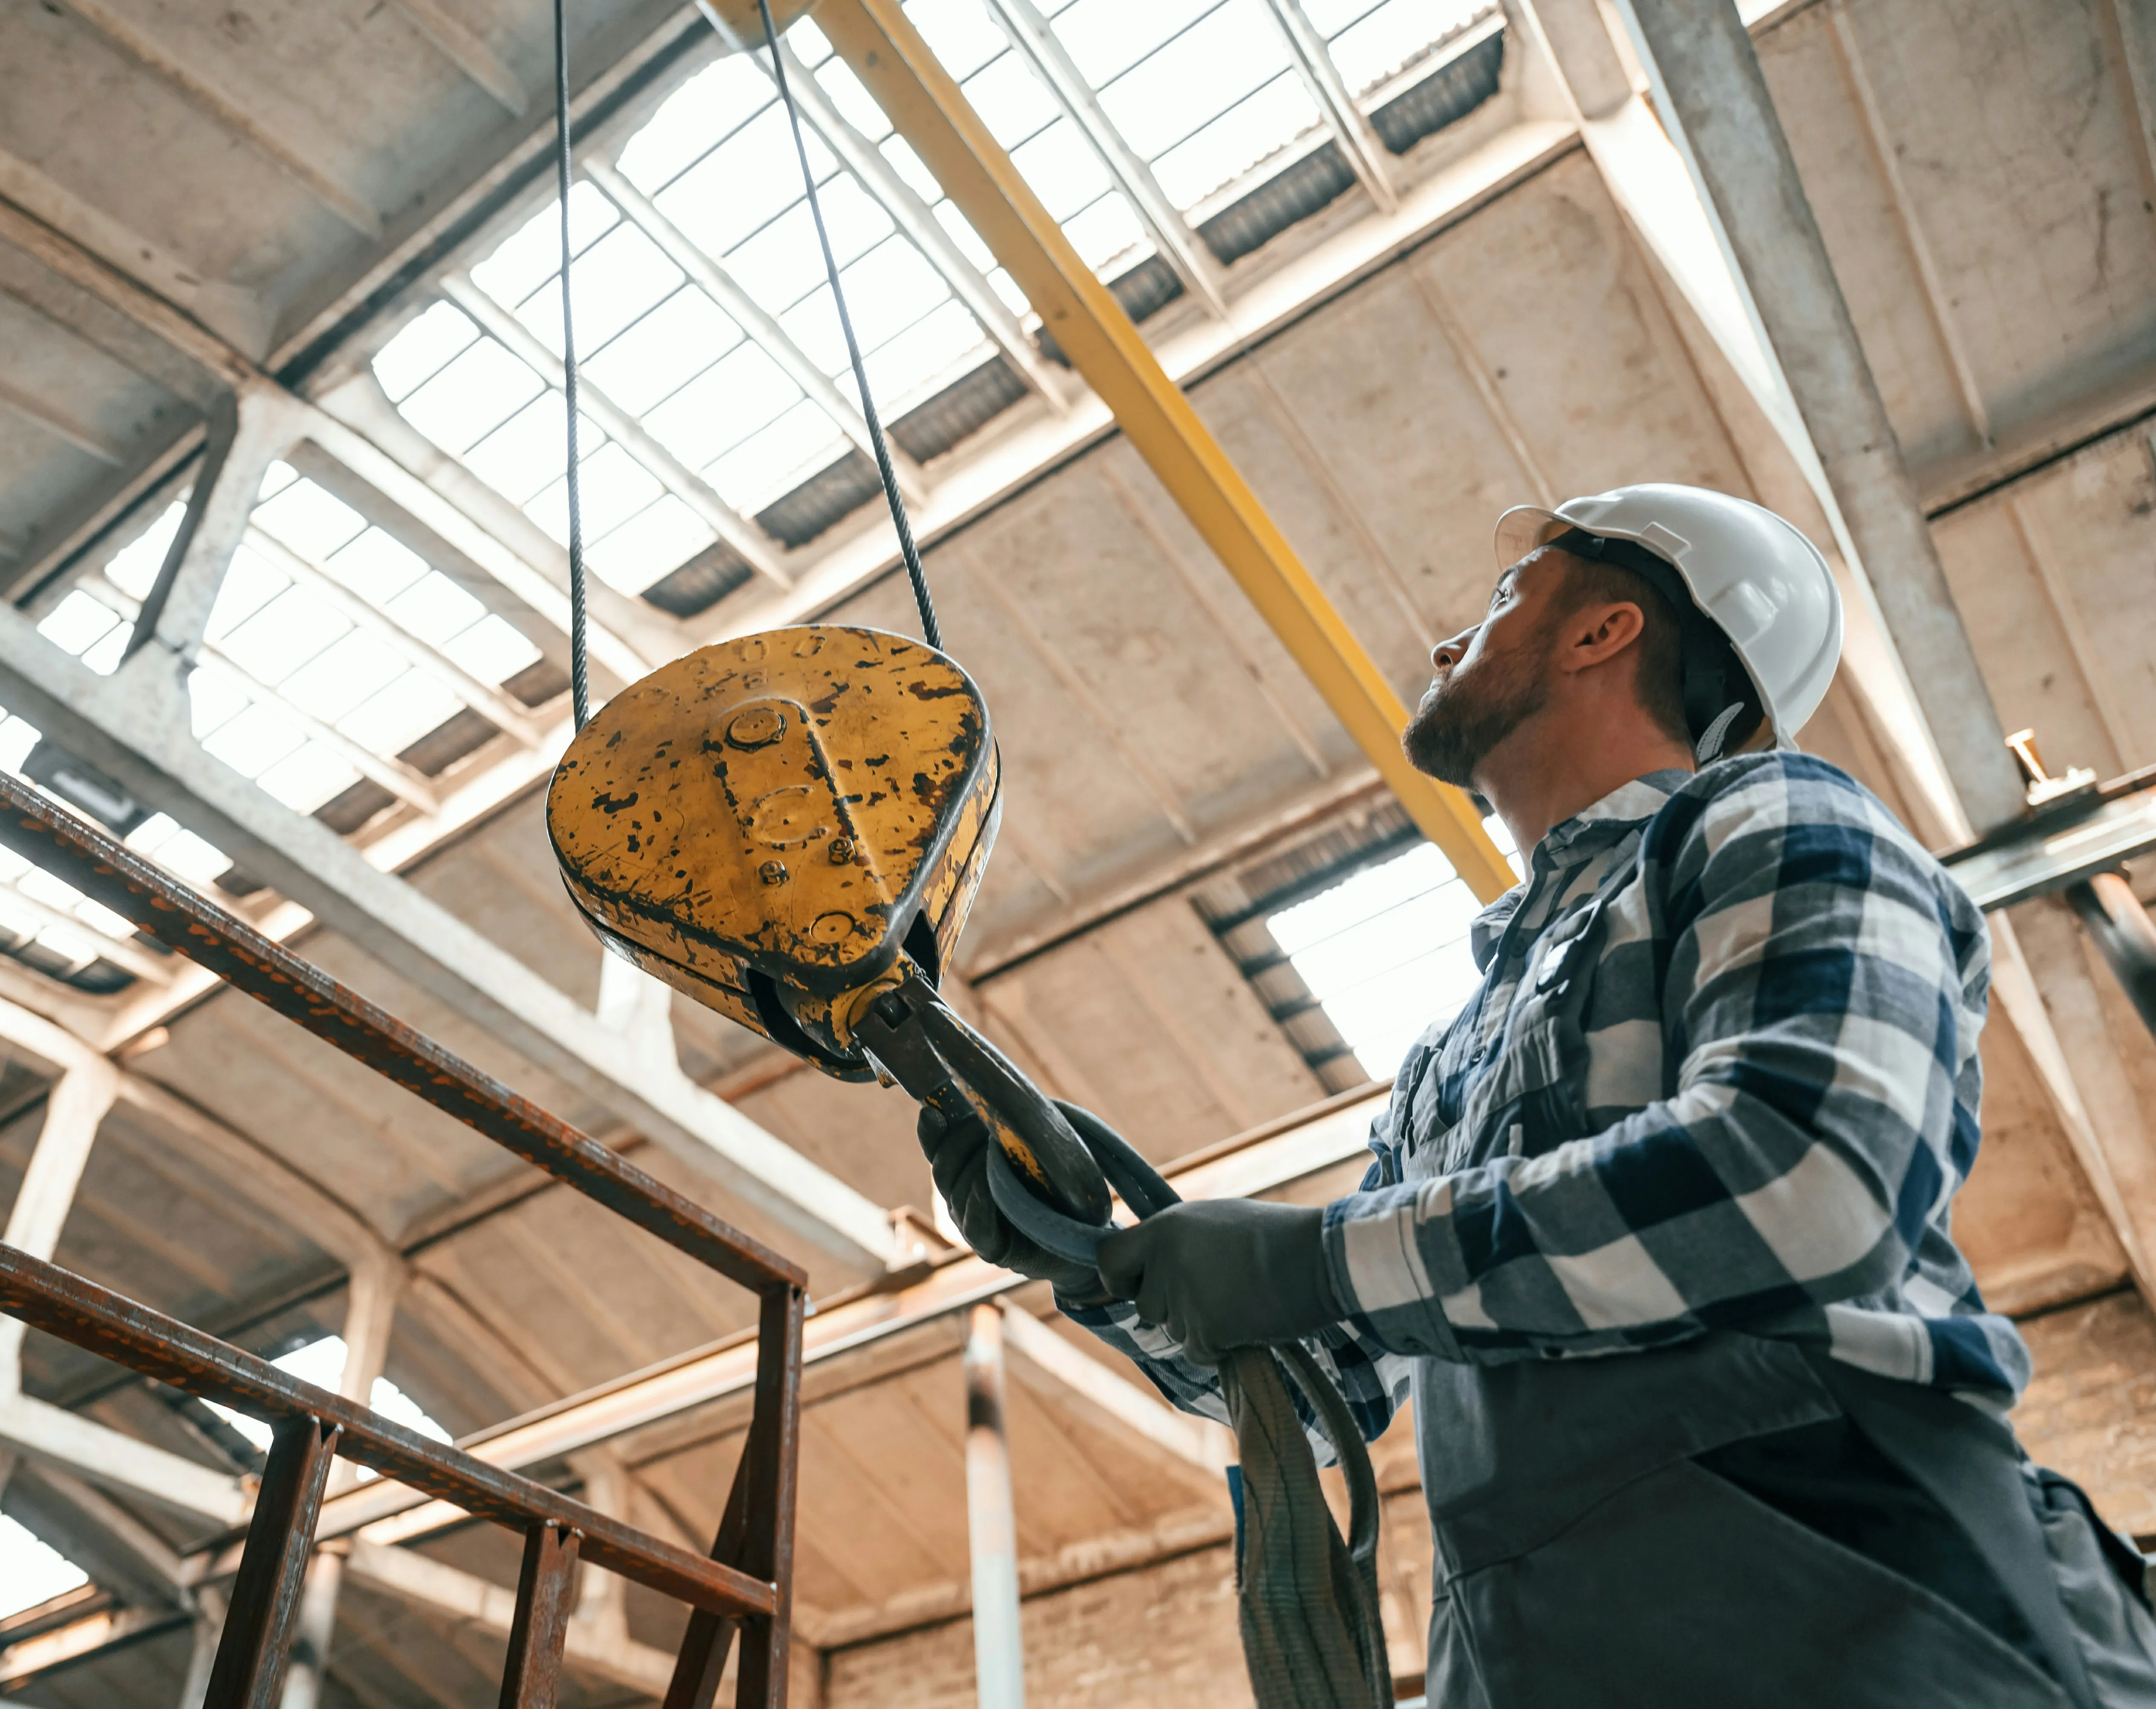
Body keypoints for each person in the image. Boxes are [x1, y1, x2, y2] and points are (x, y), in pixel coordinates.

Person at [921, 484, 2156, 1707]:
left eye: (1507, 596)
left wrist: (1314, 1258)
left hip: (1858, 1603)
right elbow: (1320, 1398)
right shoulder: (1449, 1057)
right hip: (1545, 1649)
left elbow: (1808, 1183)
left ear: (1602, 631)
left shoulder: (1773, 818)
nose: (1447, 641)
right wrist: (1082, 1247)